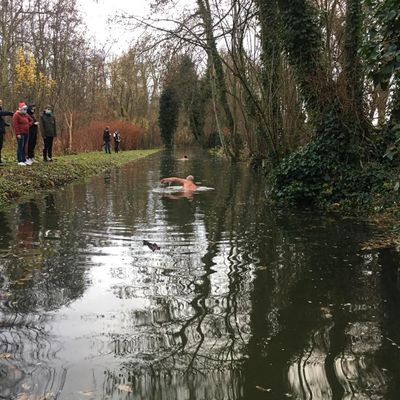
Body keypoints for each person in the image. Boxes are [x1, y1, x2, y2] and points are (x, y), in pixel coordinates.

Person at [0, 100, 14, 166]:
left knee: (0, 146)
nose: (1, 104)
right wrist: (11, 113)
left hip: (1, 131)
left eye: (1, 103)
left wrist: (5, 124)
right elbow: (3, 113)